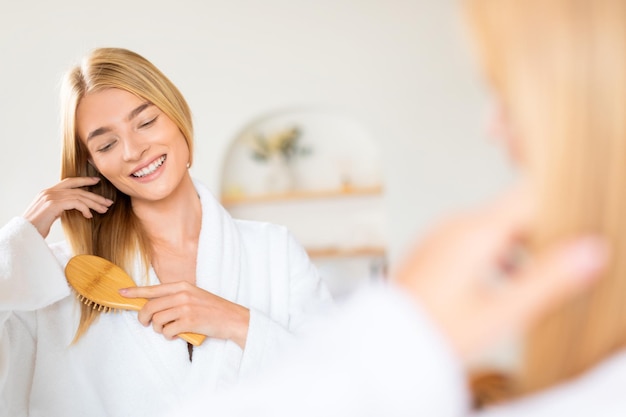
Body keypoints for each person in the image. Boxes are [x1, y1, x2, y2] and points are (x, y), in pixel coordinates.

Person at [163, 0, 626, 415]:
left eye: (504, 91)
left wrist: (399, 339)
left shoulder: (273, 246)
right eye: (102, 144)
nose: (491, 126)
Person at [0, 47, 331, 417]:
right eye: (107, 143)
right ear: (93, 164)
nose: (133, 150)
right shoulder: (58, 279)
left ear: (176, 116)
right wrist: (21, 238)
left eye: (146, 122)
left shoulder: (273, 251)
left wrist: (237, 322)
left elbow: (343, 386)